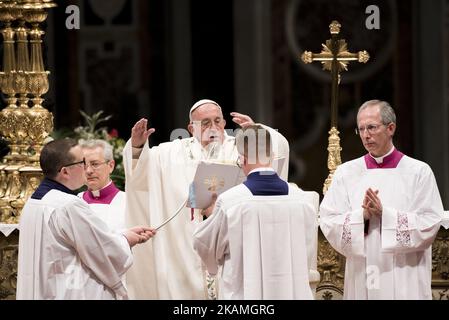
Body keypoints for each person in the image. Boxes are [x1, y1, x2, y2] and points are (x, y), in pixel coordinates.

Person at [123, 99, 290, 299]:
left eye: (218, 121)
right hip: (182, 246)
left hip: (231, 243)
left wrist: (257, 133)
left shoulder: (240, 147)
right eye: (205, 123)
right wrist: (137, 146)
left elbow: (277, 154)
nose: (213, 127)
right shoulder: (170, 153)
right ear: (191, 128)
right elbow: (139, 177)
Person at [319, 100, 443, 300]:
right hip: (364, 271)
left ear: (390, 128)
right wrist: (363, 216)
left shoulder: (418, 172)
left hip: (405, 272)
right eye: (361, 129)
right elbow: (328, 220)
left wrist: (387, 215)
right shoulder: (346, 173)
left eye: (372, 127)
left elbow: (430, 222)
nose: (366, 135)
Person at [16, 139, 156, 300]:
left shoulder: (33, 203)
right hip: (67, 292)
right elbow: (100, 251)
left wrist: (122, 235)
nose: (87, 169)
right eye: (82, 162)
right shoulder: (68, 205)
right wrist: (126, 239)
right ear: (65, 172)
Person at [193, 125, 317, 299]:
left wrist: (213, 214)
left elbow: (204, 244)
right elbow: (307, 252)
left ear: (242, 160)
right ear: (272, 156)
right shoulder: (303, 200)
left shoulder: (230, 202)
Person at [78, 139, 125, 231]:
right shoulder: (76, 202)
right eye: (84, 165)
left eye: (95, 164)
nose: (88, 171)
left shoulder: (126, 202)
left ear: (111, 166)